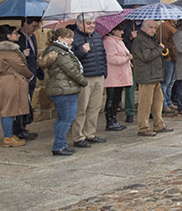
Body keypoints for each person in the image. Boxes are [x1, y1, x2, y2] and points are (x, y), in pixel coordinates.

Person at [39, 27, 87, 156]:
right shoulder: (61, 52)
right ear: (60, 39)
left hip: (62, 88)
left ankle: (61, 144)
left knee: (62, 118)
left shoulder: (58, 50)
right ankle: (59, 145)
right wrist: (83, 81)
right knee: (67, 118)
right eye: (69, 38)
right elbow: (71, 70)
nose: (72, 40)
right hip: (64, 89)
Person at [70, 15, 108, 148]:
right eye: (89, 23)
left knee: (95, 107)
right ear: (80, 24)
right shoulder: (74, 37)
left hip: (98, 76)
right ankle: (78, 136)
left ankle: (90, 133)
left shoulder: (97, 36)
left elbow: (102, 54)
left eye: (93, 23)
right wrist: (82, 51)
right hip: (84, 77)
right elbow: (71, 59)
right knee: (82, 108)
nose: (92, 25)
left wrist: (104, 72)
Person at [0, 25, 33, 147]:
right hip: (11, 81)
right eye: (15, 33)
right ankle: (7, 137)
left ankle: (10, 135)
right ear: (8, 36)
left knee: (11, 109)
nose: (18, 35)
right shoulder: (8, 50)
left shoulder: (10, 50)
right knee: (9, 110)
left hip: (12, 80)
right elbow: (19, 66)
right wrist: (30, 75)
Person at [132, 18, 170, 136]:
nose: (153, 30)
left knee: (158, 101)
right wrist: (159, 48)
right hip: (146, 76)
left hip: (155, 75)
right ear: (144, 28)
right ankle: (143, 127)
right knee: (145, 103)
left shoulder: (151, 39)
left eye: (155, 28)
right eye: (151, 27)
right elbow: (146, 56)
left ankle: (159, 124)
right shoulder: (140, 41)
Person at [13, 18, 42, 141]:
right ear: (25, 24)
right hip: (23, 76)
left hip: (32, 74)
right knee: (21, 104)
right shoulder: (17, 38)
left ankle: (23, 127)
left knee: (27, 103)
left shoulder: (33, 37)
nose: (35, 29)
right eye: (33, 26)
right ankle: (17, 130)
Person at [102, 25, 132, 131]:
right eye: (120, 30)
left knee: (116, 98)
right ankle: (110, 121)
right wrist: (126, 58)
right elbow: (111, 58)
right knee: (111, 99)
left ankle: (114, 120)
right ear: (113, 31)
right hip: (113, 75)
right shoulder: (109, 41)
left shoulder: (119, 41)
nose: (122, 32)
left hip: (120, 75)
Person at [160, 20, 180, 108]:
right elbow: (163, 41)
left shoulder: (175, 26)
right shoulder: (165, 26)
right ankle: (164, 103)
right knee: (165, 82)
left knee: (171, 81)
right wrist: (166, 55)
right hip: (169, 57)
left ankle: (169, 101)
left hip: (175, 57)